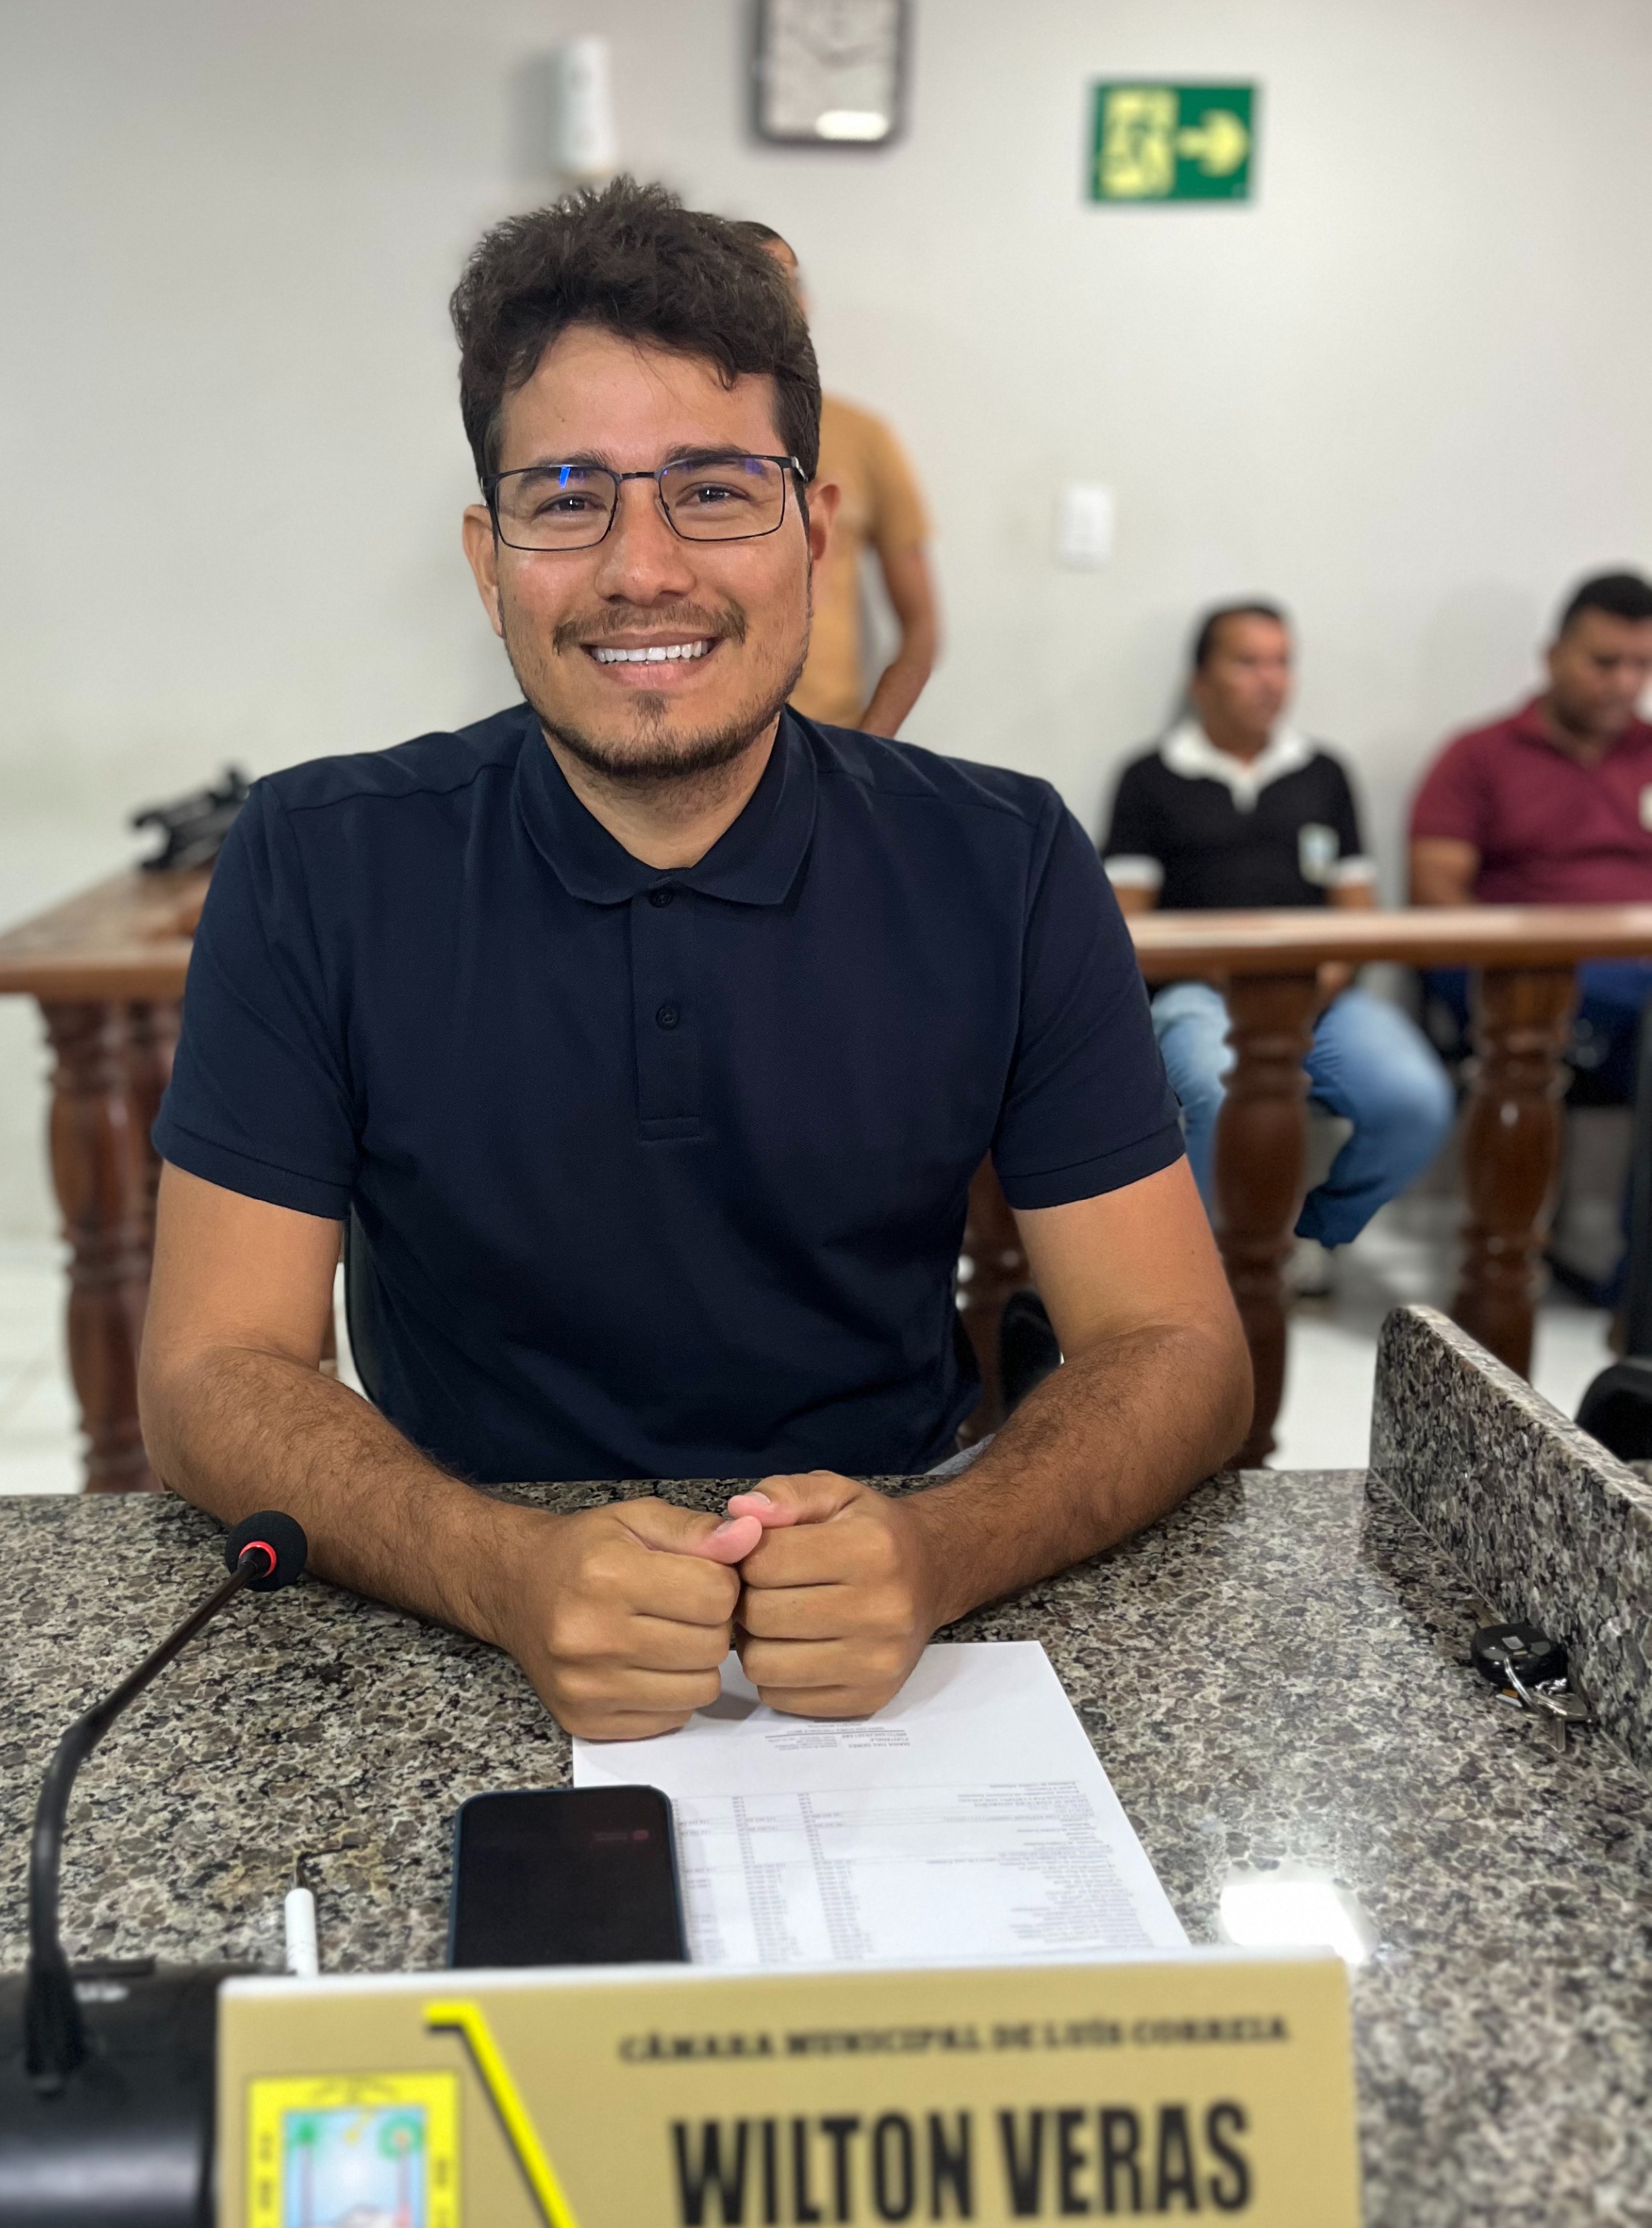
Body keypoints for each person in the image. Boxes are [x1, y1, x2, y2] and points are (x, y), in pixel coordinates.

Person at [139, 176, 1249, 1742]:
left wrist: (937, 1548)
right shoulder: (313, 860)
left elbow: (1176, 1344)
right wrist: (503, 1570)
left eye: (715, 491)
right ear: (488, 558)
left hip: (892, 1586)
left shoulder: (1002, 859)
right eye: (566, 497)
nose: (642, 567)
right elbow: (209, 1368)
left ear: (814, 533)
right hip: (442, 1588)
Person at [1102, 603, 1453, 1267]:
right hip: (1197, 996)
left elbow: (1358, 914)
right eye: (1248, 662)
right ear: (1200, 680)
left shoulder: (1324, 774)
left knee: (1415, 1101)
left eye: (1282, 662)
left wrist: (1313, 986)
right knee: (1223, 1089)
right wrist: (1233, 977)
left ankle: (1309, 1240)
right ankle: (1185, 1271)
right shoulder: (1149, 778)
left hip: (1322, 998)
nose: (1271, 680)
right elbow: (1128, 923)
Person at [1411, 567, 1652, 1094]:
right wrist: (1520, 954)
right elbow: (1433, 892)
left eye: (1642, 665)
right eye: (1605, 663)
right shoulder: (1478, 756)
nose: (1625, 684)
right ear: (1553, 656)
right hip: (1519, 972)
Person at [738, 225, 937, 738]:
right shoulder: (667, 441)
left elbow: (922, 627)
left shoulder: (863, 436)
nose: (770, 306)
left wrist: (868, 749)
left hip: (829, 736)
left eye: (786, 285)